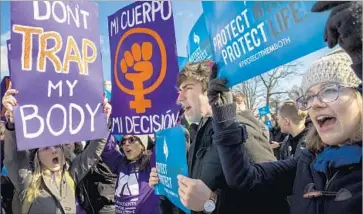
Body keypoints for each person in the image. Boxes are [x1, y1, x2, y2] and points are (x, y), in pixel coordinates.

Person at [212, 51, 362, 214]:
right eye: (309, 97)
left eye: (329, 90)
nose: (315, 104)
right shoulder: (309, 161)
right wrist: (224, 117)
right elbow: (245, 178)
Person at [150, 60, 287, 214]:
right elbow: (193, 199)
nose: (179, 98)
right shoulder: (200, 134)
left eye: (187, 88)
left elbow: (271, 197)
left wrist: (213, 201)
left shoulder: (239, 127)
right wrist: (166, 187)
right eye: (180, 90)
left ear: (209, 89)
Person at [2, 84, 110, 214]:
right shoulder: (27, 180)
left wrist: (103, 119)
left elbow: (93, 153)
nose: (54, 150)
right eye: (46, 148)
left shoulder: (71, 175)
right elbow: (13, 158)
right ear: (37, 157)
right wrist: (13, 122)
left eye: (58, 146)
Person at [101, 134, 158, 214]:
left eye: (131, 140)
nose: (126, 144)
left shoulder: (150, 164)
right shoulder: (120, 162)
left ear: (142, 145)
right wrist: (108, 127)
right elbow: (106, 147)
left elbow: (162, 145)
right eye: (123, 142)